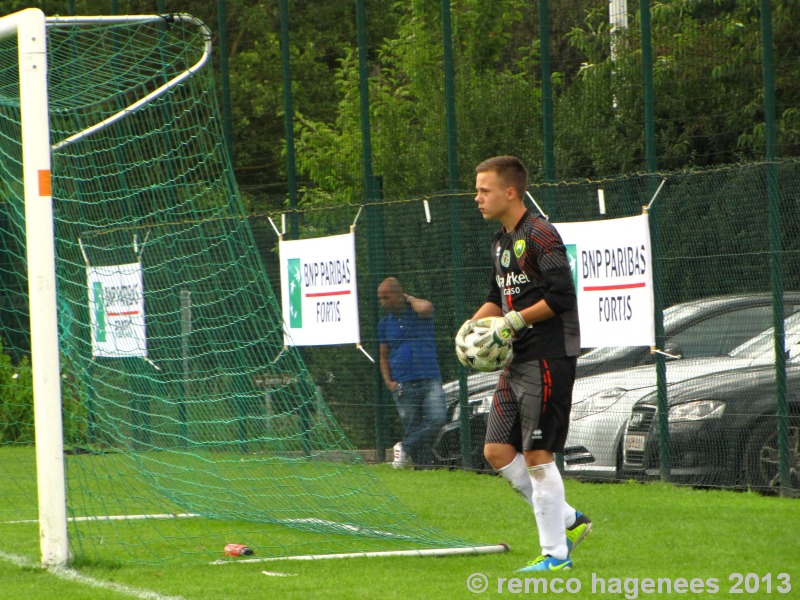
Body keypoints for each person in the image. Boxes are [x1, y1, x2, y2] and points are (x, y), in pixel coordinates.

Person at [457, 155, 591, 572]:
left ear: (510, 192)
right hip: (516, 361)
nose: (476, 197)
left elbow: (562, 297)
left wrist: (515, 319)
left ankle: (555, 557)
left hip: (548, 358)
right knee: (497, 451)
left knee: (537, 455)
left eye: (484, 190)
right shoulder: (500, 241)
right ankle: (569, 520)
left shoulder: (540, 234)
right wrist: (471, 328)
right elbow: (497, 297)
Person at [378, 277, 447, 469]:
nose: (383, 302)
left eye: (387, 297)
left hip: (429, 377)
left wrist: (408, 298)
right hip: (402, 383)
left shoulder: (418, 312)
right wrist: (389, 382)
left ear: (399, 295)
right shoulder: (384, 324)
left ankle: (404, 447)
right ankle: (424, 467)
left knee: (437, 419)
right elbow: (383, 356)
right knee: (413, 426)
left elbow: (426, 308)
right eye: (381, 298)